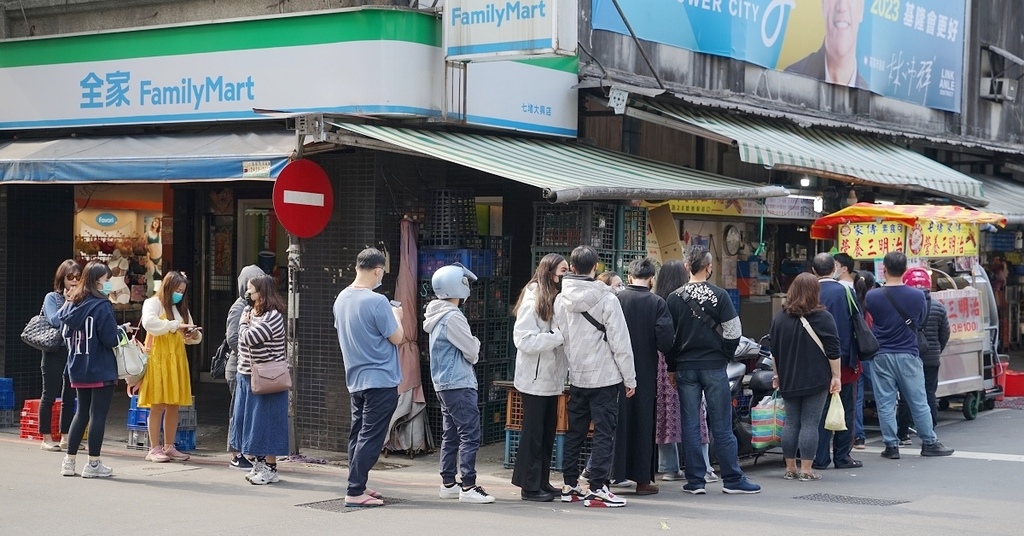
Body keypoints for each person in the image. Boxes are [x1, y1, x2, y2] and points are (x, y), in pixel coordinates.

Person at [665, 246, 761, 495]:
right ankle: (731, 478)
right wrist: (725, 355)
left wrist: (672, 367)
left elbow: (668, 339)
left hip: (685, 368)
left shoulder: (674, 298)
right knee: (721, 423)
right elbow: (733, 332)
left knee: (690, 424)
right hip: (714, 366)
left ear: (687, 267)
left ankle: (695, 481)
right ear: (709, 267)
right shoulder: (720, 295)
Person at [554, 245, 636, 508]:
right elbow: (620, 342)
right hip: (604, 377)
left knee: (575, 431)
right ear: (596, 267)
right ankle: (598, 487)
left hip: (576, 376)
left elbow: (561, 338)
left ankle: (569, 485)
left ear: (572, 267)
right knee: (603, 433)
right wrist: (630, 379)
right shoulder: (607, 298)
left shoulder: (560, 300)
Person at [333, 247, 404, 508]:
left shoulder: (341, 298)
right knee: (371, 437)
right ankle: (354, 491)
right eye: (382, 272)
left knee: (358, 434)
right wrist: (398, 316)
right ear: (377, 270)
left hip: (355, 378)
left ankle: (358, 484)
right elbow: (398, 337)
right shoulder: (378, 302)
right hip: (381, 379)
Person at [864, 252, 954, 459]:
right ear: (905, 270)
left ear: (884, 269)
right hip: (908, 353)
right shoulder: (917, 296)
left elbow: (872, 319)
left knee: (885, 402)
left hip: (881, 354)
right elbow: (919, 321)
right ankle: (929, 442)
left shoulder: (872, 296)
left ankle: (891, 446)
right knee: (918, 400)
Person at [422, 263, 495, 504]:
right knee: (469, 434)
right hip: (459, 382)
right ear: (459, 286)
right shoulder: (453, 317)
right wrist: (475, 342)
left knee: (451, 434)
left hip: (443, 383)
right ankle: (469, 486)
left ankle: (449, 483)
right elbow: (472, 351)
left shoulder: (435, 314)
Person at [770, 272, 842, 481]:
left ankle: (790, 468)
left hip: (788, 377)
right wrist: (836, 376)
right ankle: (807, 470)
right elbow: (833, 349)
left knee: (791, 422)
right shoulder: (823, 317)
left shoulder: (780, 317)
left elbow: (774, 350)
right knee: (810, 423)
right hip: (816, 377)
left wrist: (777, 374)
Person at [610, 258, 674, 495]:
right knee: (643, 422)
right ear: (651, 278)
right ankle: (642, 480)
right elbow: (666, 340)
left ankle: (608, 476)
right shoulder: (657, 303)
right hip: (645, 371)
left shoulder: (616, 299)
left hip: (614, 370)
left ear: (628, 277)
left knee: (614, 422)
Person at [511, 253, 569, 502]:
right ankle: (530, 486)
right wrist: (556, 337)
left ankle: (541, 481)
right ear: (550, 272)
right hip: (534, 379)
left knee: (546, 433)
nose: (566, 275)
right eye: (563, 270)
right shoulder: (533, 297)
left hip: (549, 377)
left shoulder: (552, 297)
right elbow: (523, 340)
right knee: (534, 433)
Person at [58, 261, 120, 478]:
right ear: (96, 282)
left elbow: (65, 332)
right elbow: (110, 339)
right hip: (100, 367)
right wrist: (121, 332)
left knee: (81, 413)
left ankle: (69, 461)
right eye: (106, 280)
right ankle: (93, 464)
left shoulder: (73, 304)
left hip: (77, 366)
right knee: (98, 415)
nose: (109, 284)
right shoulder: (102, 306)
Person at [231, 274, 290, 485]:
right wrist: (245, 324)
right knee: (249, 423)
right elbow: (240, 338)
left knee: (267, 423)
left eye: (251, 289)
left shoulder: (273, 315)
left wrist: (245, 326)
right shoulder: (249, 311)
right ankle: (259, 464)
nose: (248, 293)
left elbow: (249, 338)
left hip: (268, 378)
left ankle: (270, 468)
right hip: (246, 375)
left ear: (262, 292)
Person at [139, 271, 201, 463]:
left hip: (177, 359)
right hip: (158, 358)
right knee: (157, 405)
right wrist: (175, 326)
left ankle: (169, 445)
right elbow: (150, 323)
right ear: (167, 287)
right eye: (177, 290)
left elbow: (190, 332)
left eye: (182, 291)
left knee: (174, 404)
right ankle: (154, 448)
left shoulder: (180, 308)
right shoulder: (153, 303)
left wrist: (193, 335)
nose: (179, 294)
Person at [809, 253, 862, 470]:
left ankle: (820, 457)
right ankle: (842, 456)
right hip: (845, 360)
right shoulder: (846, 292)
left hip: (814, 360)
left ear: (814, 271)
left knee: (818, 410)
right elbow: (856, 324)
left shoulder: (807, 292)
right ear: (834, 269)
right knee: (844, 408)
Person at [895, 267, 950, 440]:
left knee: (905, 396)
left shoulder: (902, 307)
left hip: (909, 356)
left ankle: (902, 433)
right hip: (931, 359)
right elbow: (945, 334)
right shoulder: (939, 308)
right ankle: (930, 432)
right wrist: (936, 350)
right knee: (929, 395)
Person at [37, 259, 80, 452]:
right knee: (49, 395)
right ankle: (46, 437)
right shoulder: (52, 298)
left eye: (78, 278)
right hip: (54, 350)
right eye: (70, 277)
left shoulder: (81, 299)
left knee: (70, 396)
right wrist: (68, 303)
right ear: (62, 278)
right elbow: (54, 321)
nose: (74, 281)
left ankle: (66, 437)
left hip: (72, 350)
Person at [224, 264, 264, 470]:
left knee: (249, 411)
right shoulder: (240, 307)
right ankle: (235, 454)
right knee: (238, 412)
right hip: (239, 368)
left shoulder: (260, 307)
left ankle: (248, 451)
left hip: (251, 368)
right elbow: (232, 338)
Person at [784, 0, 868, 89]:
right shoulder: (792, 79)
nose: (842, 7)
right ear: (823, 5)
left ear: (861, 9)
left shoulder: (871, 97)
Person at [853, 269, 876, 449]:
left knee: (857, 397)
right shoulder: (874, 303)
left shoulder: (851, 302)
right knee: (884, 394)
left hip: (856, 354)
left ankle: (858, 436)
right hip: (871, 353)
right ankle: (894, 433)